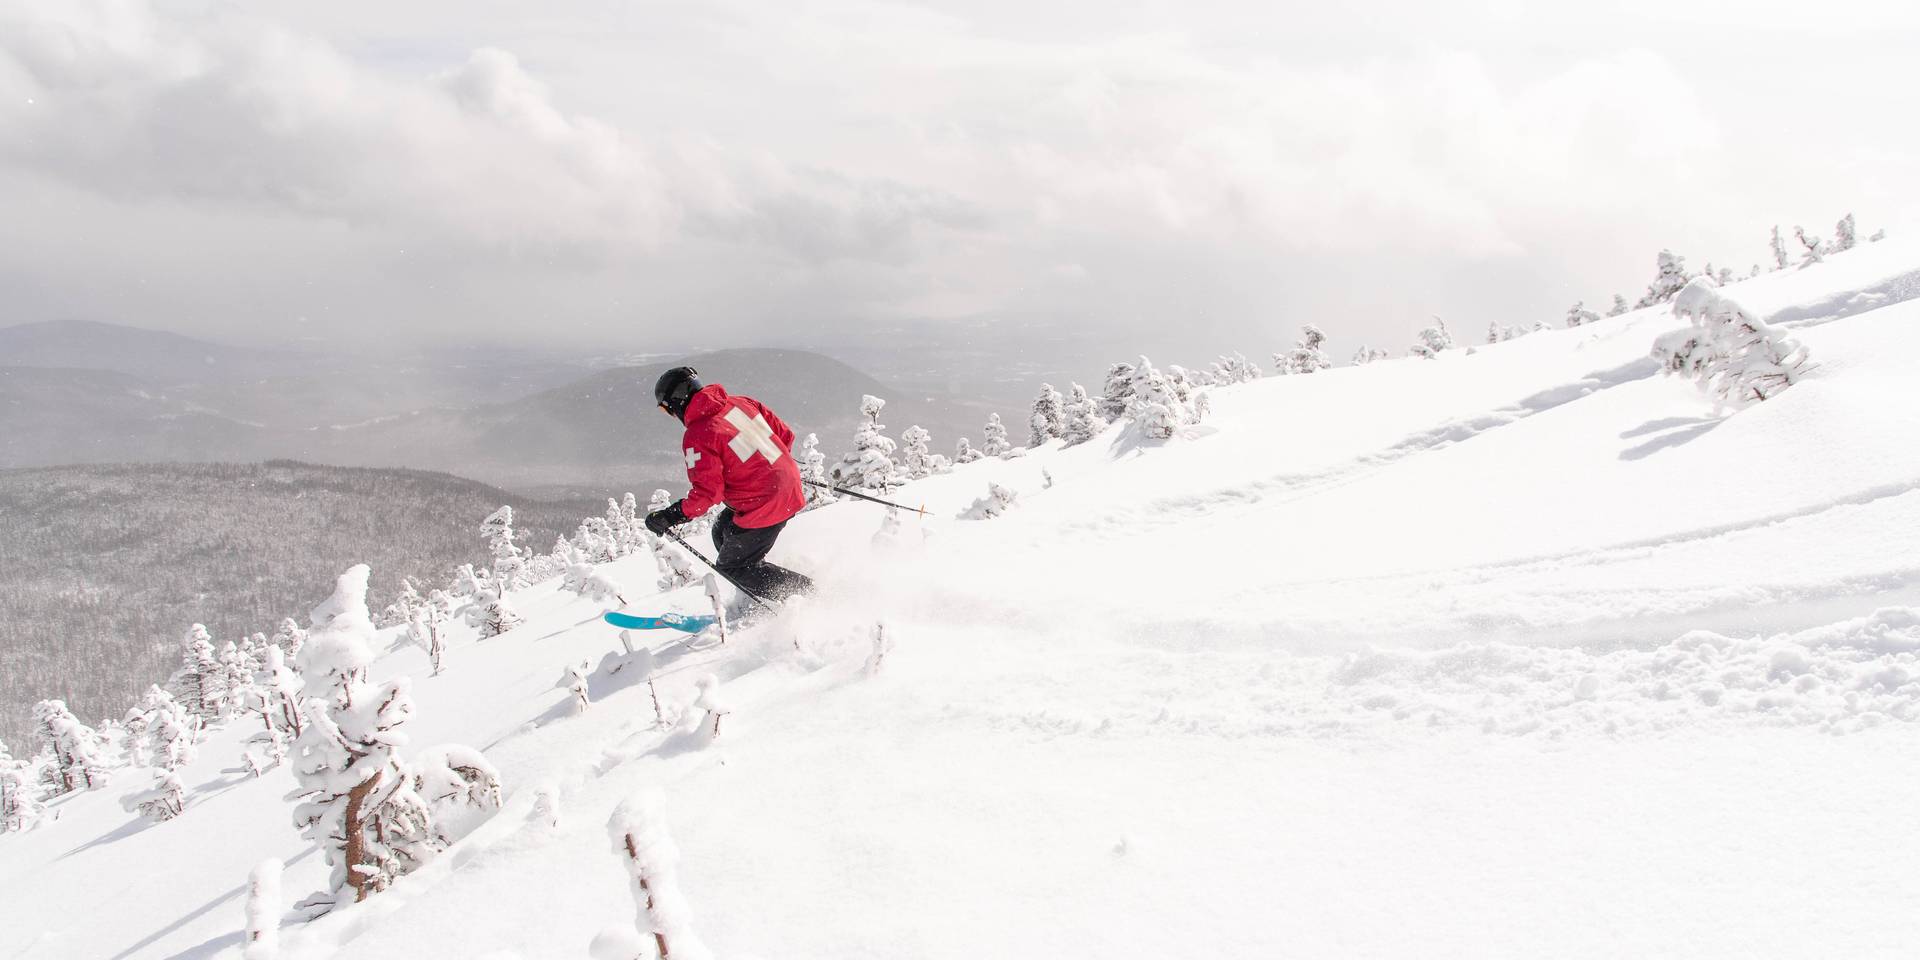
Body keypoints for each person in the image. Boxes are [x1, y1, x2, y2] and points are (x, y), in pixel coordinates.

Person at [644, 366, 815, 602]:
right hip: (784, 489)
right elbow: (784, 435)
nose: (670, 415)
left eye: (666, 410)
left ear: (675, 402)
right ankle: (762, 583)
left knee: (732, 568)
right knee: (722, 530)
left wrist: (672, 515)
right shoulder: (741, 403)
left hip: (765, 502)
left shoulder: (699, 434)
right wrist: (771, 472)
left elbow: (707, 494)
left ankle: (810, 597)